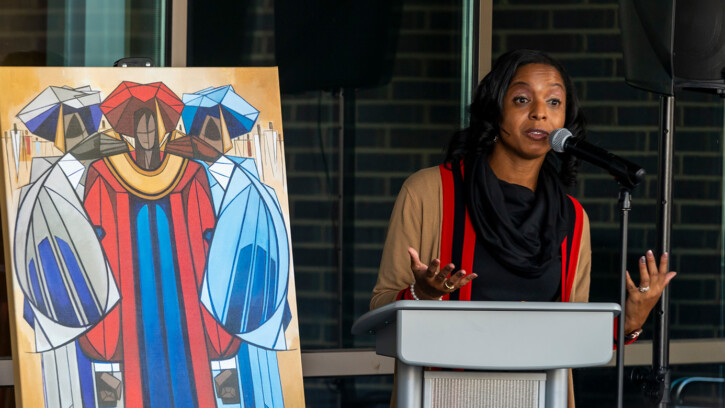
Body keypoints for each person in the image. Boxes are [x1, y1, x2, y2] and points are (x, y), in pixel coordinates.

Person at [371, 49, 676, 405]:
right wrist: (422, 294)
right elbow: (380, 313)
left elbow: (572, 339)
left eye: (553, 101)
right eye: (521, 99)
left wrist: (629, 323)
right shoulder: (428, 193)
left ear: (565, 120)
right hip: (445, 397)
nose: (539, 112)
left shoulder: (573, 219)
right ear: (495, 109)